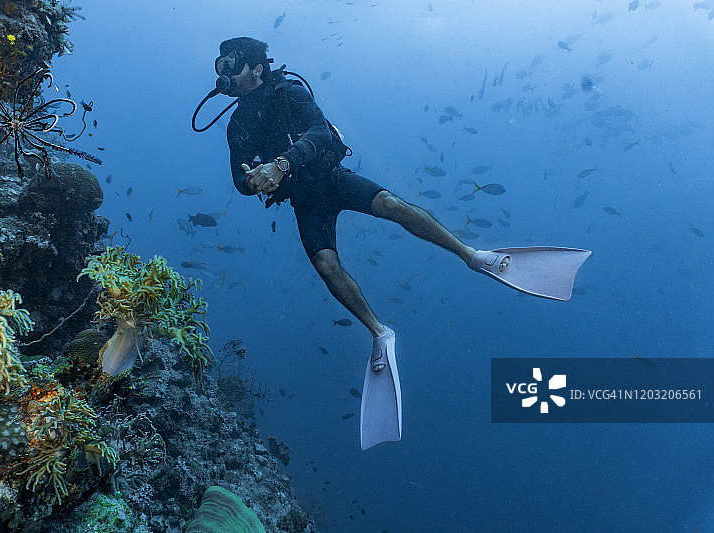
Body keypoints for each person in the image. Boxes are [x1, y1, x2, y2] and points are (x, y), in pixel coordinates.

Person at [210, 37, 590, 449]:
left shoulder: (290, 92)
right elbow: (238, 178)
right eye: (220, 66)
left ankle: (474, 256)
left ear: (256, 67)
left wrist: (282, 163)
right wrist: (251, 181)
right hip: (304, 200)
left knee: (390, 203)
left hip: (330, 178)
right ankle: (379, 333)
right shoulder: (237, 124)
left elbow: (321, 131)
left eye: (231, 64)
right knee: (325, 264)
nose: (223, 74)